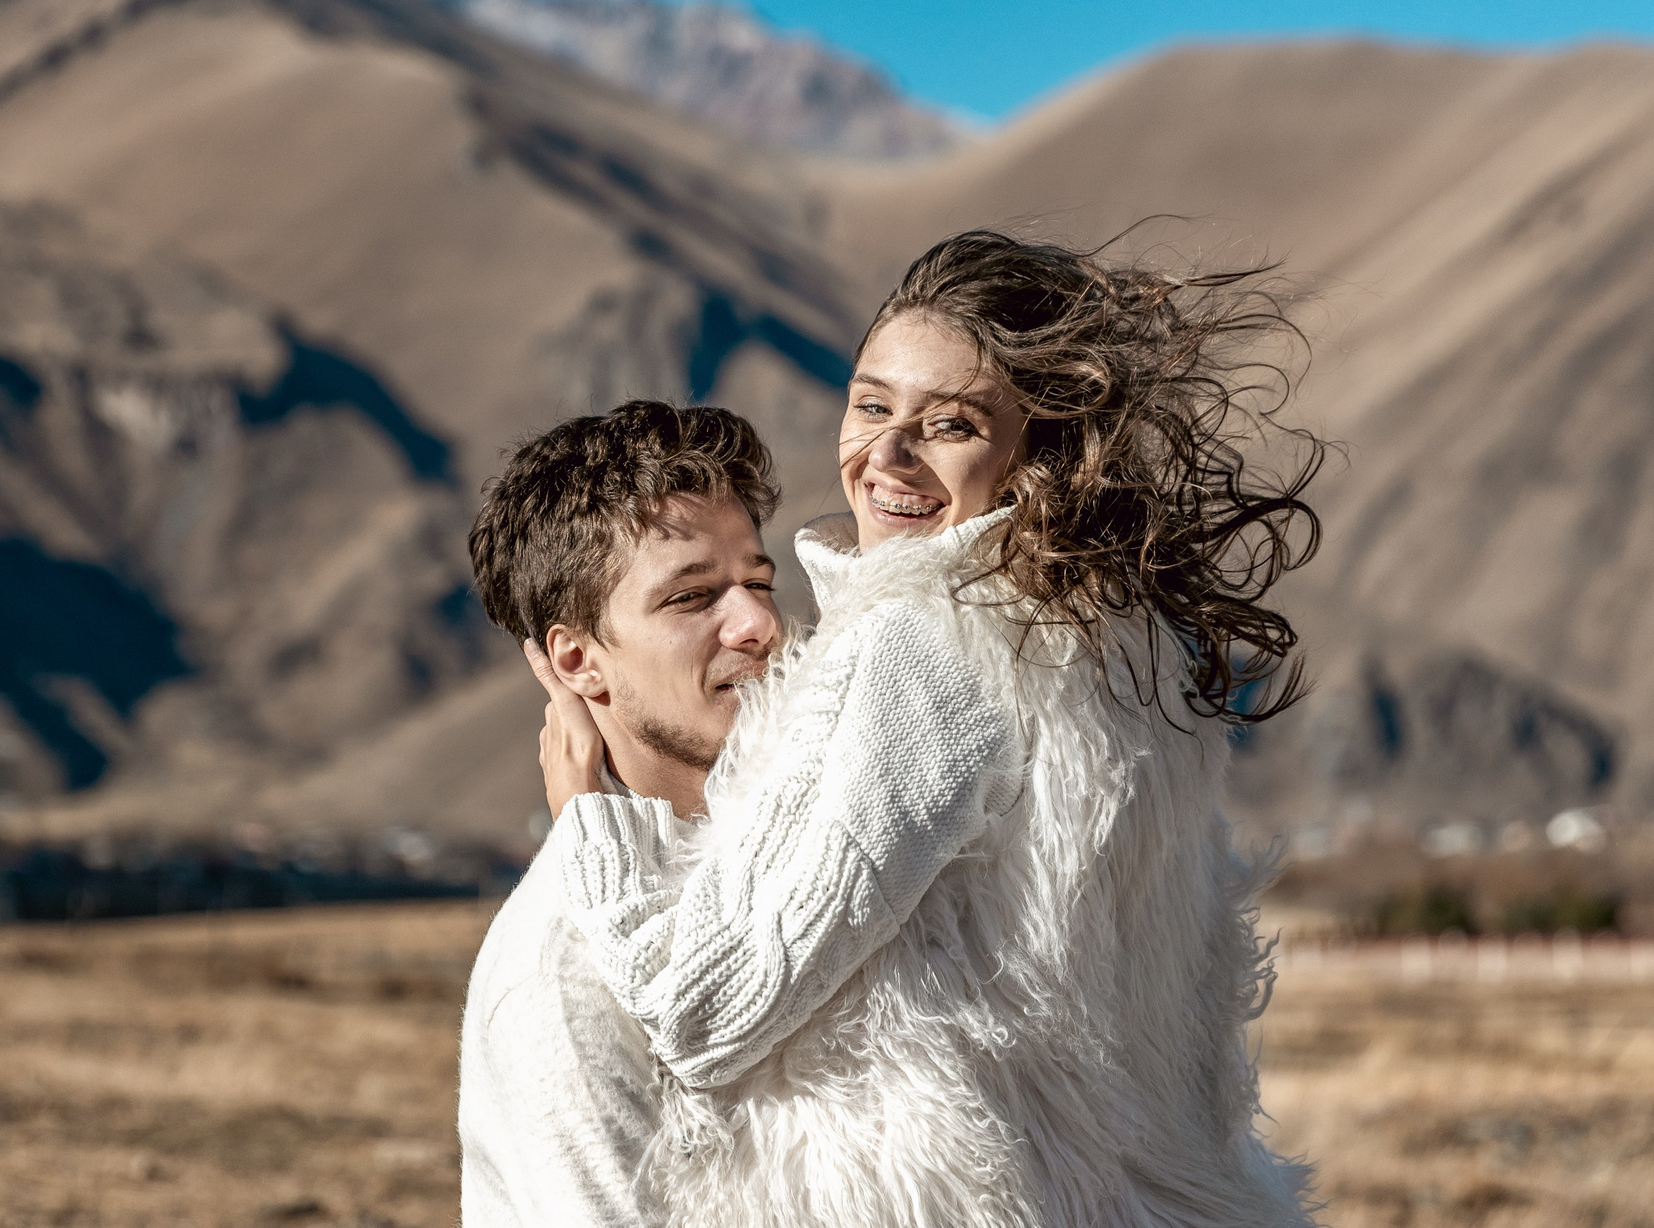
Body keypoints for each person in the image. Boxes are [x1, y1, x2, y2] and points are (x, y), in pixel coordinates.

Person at [530, 230, 1327, 1228]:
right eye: (872, 405)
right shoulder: (1123, 650)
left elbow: (705, 1010)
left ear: (1038, 451)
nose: (887, 455)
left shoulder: (924, 641)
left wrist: (589, 818)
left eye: (950, 423)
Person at [458, 401, 787, 1228]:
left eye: (759, 582)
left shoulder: (805, 867)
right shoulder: (560, 976)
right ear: (578, 660)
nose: (759, 624)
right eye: (692, 596)